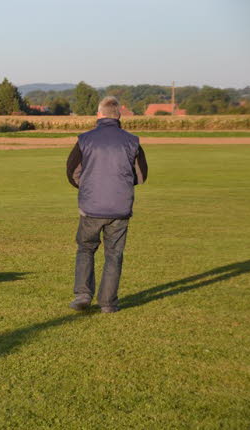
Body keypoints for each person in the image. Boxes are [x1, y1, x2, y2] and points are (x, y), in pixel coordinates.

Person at [66, 96, 148, 313]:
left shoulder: (85, 139)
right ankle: (108, 303)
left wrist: (87, 189)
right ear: (118, 115)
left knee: (85, 249)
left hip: (91, 207)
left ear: (99, 115)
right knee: (114, 255)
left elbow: (71, 171)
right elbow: (141, 175)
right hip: (120, 209)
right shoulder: (132, 141)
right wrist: (121, 187)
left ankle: (83, 295)